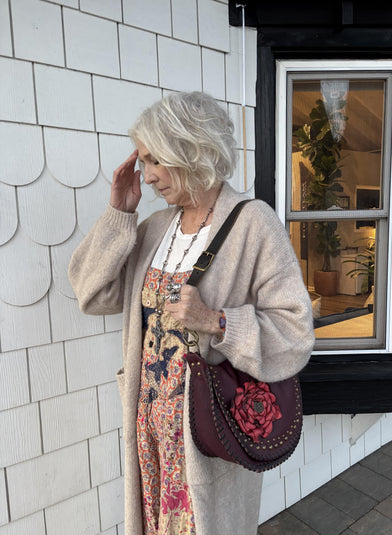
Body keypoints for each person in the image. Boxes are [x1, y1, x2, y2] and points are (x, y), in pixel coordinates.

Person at [69, 91, 314, 535]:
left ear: (191, 148)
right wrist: (119, 215)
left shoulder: (254, 224)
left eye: (154, 161)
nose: (147, 176)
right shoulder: (155, 229)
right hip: (150, 428)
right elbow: (94, 293)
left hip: (206, 430)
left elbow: (295, 332)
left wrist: (218, 322)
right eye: (143, 162)